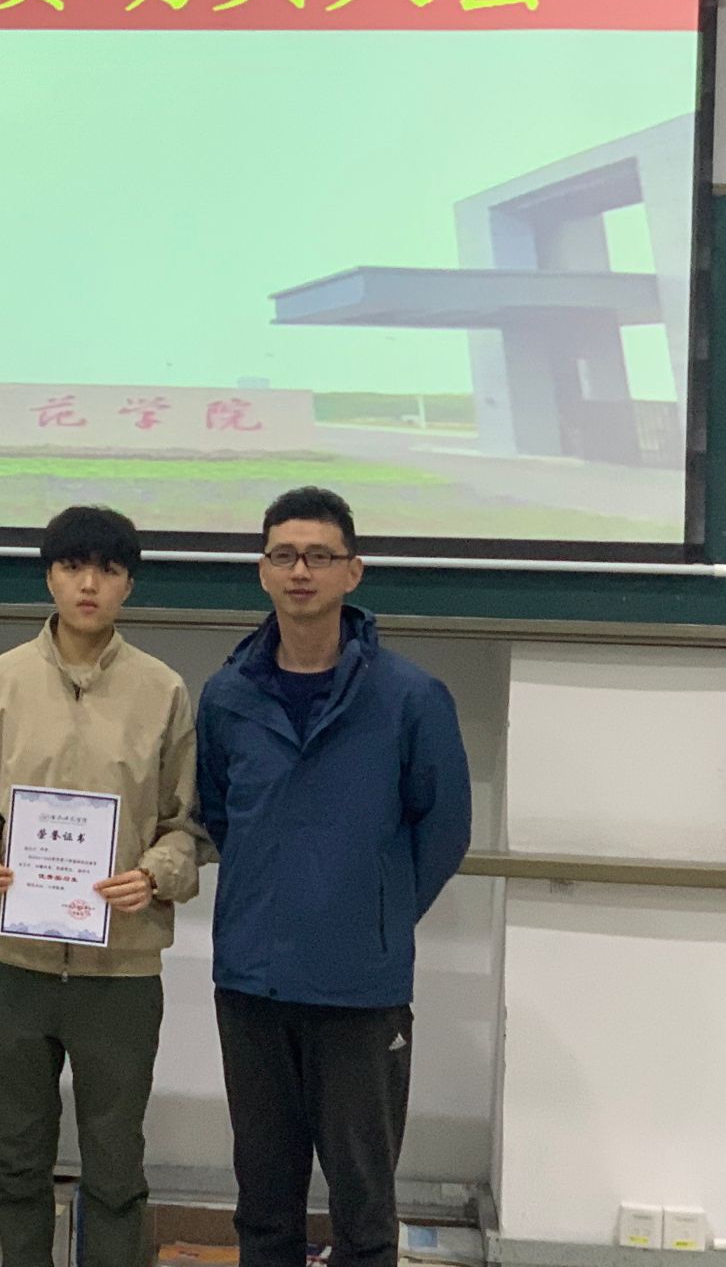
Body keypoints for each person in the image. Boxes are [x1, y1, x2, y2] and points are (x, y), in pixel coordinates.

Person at [196, 488, 471, 1267]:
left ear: (353, 572)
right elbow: (220, 814)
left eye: (320, 556)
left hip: (360, 992)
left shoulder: (411, 697)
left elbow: (444, 830)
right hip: (251, 985)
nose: (301, 571)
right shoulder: (227, 695)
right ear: (262, 571)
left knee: (364, 1214)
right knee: (264, 1210)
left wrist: (375, 913)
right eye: (284, 555)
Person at [0, 506, 204, 1267]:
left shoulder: (162, 690)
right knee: (15, 1157)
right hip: (11, 963)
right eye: (72, 567)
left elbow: (187, 827)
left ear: (129, 584)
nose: (89, 584)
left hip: (118, 971)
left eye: (108, 569)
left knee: (116, 1166)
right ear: (49, 576)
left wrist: (153, 875)